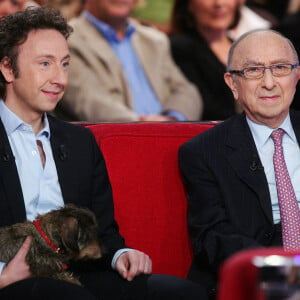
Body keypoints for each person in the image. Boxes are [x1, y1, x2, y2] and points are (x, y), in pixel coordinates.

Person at [0, 6, 208, 300]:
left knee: (184, 294)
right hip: (15, 279)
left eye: (65, 64)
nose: (60, 79)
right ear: (8, 68)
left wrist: (120, 254)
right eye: (45, 64)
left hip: (78, 274)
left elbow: (104, 232)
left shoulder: (79, 142)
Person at [178, 29, 300, 299]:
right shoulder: (203, 152)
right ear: (232, 83)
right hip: (258, 273)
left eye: (280, 68)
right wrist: (282, 271)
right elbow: (213, 237)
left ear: (296, 76)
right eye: (253, 70)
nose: (269, 82)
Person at [55, 0, 202, 122]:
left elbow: (187, 91)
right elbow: (90, 103)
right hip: (114, 146)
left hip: (170, 138)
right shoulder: (66, 40)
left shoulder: (155, 41)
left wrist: (173, 120)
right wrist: (145, 127)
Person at [169, 0, 242, 121]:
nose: (219, 4)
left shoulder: (242, 46)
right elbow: (208, 109)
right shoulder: (180, 48)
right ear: (189, 5)